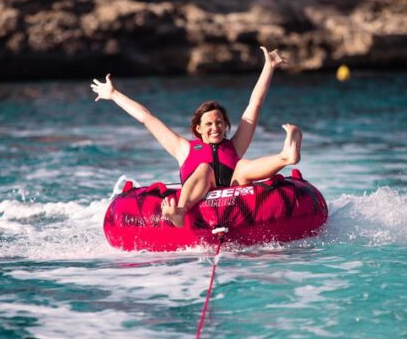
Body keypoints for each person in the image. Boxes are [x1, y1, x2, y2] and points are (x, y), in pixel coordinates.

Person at [91, 47, 302, 228]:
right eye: (209, 124)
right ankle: (180, 212)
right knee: (204, 168)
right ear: (198, 129)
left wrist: (269, 67)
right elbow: (147, 117)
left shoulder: (234, 145)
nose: (215, 127)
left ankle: (286, 157)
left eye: (219, 122)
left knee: (243, 166)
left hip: (237, 204)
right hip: (200, 203)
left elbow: (254, 104)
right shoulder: (183, 148)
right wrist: (114, 95)